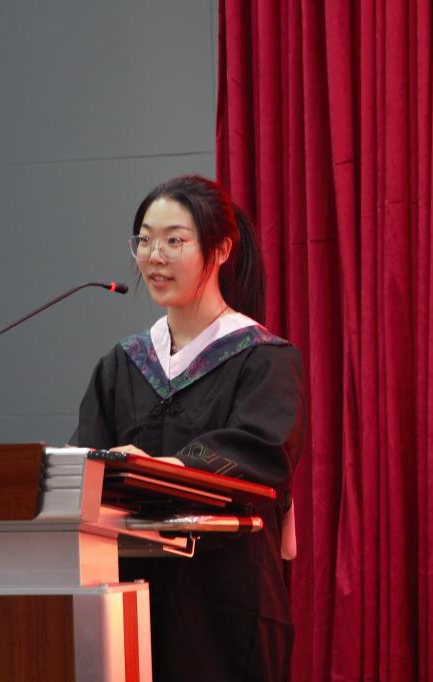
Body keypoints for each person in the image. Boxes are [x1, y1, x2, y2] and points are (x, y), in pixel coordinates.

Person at [72, 175, 305, 681]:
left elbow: (261, 451)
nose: (154, 256)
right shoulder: (123, 364)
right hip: (130, 598)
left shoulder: (262, 359)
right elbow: (85, 464)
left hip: (225, 603)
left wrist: (159, 469)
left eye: (174, 241)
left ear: (220, 250)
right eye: (144, 240)